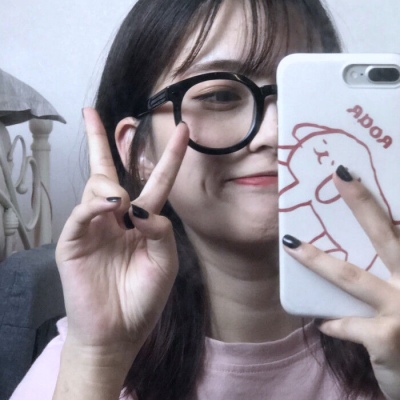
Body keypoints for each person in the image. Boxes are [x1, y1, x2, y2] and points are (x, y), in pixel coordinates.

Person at [10, 0, 400, 399]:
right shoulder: (79, 366)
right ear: (140, 151)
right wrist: (99, 360)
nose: (277, 134)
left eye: (303, 92)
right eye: (220, 96)